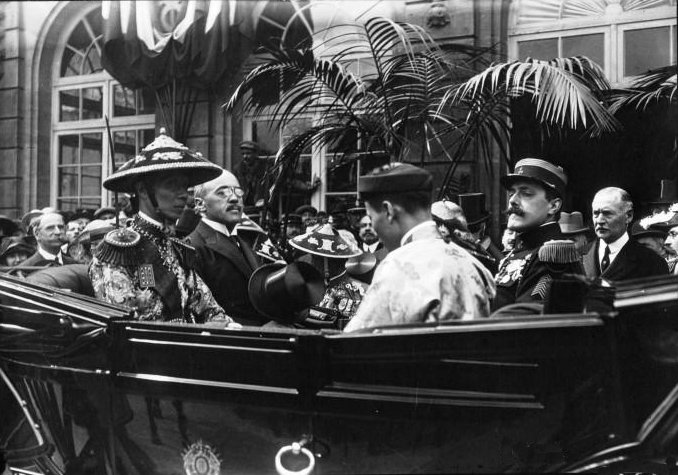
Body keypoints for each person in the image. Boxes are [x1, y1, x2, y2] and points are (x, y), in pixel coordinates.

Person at [89, 129, 238, 326]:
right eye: (172, 185)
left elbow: (210, 309)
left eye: (185, 186)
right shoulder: (119, 252)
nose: (183, 194)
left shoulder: (178, 249)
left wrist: (224, 325)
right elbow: (126, 330)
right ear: (143, 190)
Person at [344, 163, 495, 332]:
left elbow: (357, 338)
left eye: (371, 217)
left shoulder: (396, 265)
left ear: (388, 210)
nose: (374, 228)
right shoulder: (474, 263)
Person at [494, 158, 584, 310]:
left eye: (526, 193)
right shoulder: (520, 251)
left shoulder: (553, 256)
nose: (513, 201)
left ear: (553, 206)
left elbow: (527, 318)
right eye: (512, 194)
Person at [186, 169, 268, 326]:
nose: (234, 198)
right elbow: (200, 315)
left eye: (238, 192)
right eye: (222, 193)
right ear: (200, 204)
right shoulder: (192, 247)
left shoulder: (244, 241)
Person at [289, 223, 367, 330]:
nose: (312, 262)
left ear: (328, 261)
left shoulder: (361, 293)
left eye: (315, 258)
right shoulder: (306, 287)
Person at [583, 187, 668, 280]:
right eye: (596, 213)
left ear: (628, 216)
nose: (599, 220)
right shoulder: (578, 256)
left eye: (607, 213)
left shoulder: (652, 262)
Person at [236, 141, 269, 208]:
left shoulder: (264, 170)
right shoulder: (238, 170)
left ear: (255, 154)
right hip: (243, 205)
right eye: (243, 154)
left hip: (261, 205)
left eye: (248, 153)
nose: (245, 156)